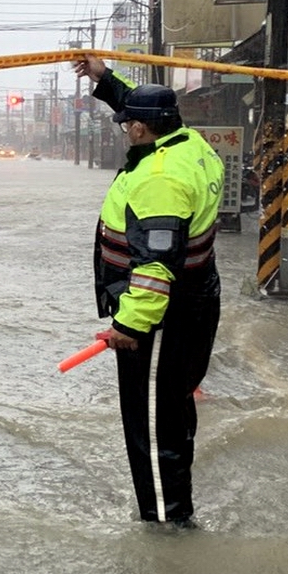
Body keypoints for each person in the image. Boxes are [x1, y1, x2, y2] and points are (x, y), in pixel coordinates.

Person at [74, 53, 225, 529]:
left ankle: (167, 526)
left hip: (161, 319)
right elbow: (144, 111)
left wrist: (129, 326)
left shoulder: (160, 181)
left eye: (127, 125)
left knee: (155, 425)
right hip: (195, 300)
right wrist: (106, 80)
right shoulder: (189, 144)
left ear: (141, 130)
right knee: (173, 411)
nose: (125, 130)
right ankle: (173, 507)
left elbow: (155, 268)